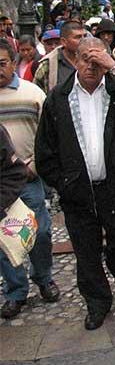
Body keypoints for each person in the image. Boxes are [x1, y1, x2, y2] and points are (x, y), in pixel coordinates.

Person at [35, 36, 115, 330]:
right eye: (85, 58)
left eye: (96, 59)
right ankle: (97, 302)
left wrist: (113, 66)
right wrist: (63, 182)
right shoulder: (58, 98)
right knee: (86, 254)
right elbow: (45, 152)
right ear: (74, 60)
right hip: (79, 192)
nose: (91, 65)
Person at [0, 41, 59, 319]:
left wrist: (37, 164)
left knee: (40, 232)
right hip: (1, 184)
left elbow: (48, 133)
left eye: (2, 63)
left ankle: (44, 277)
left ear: (13, 63)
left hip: (28, 177)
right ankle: (15, 290)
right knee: (4, 239)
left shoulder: (32, 93)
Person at [33, 20, 83, 94]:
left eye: (84, 36)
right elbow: (37, 94)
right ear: (64, 42)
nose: (83, 40)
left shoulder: (91, 60)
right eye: (77, 37)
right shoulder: (47, 65)